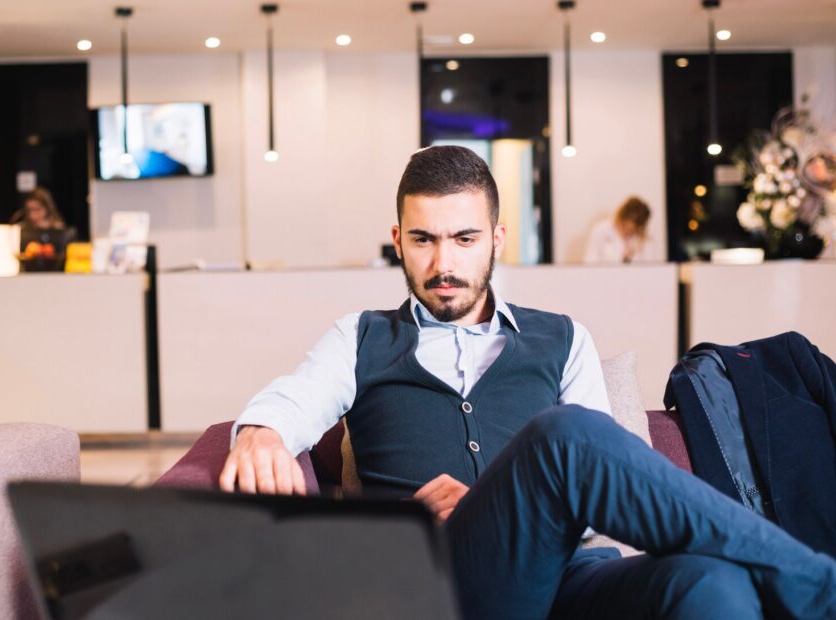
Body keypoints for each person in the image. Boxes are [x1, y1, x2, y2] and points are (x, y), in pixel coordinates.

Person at [219, 145, 836, 619]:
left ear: (497, 239)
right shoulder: (361, 337)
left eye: (464, 239)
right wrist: (261, 432)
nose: (443, 264)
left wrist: (513, 505)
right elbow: (293, 399)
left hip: (575, 578)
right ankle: (818, 587)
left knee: (711, 583)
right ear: (398, 241)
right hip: (447, 580)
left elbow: (600, 494)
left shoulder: (563, 337)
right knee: (563, 436)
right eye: (423, 240)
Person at [583, 196, 654, 263]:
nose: (629, 230)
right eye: (628, 224)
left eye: (635, 228)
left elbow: (650, 266)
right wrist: (622, 259)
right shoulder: (601, 230)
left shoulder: (643, 240)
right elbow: (589, 261)